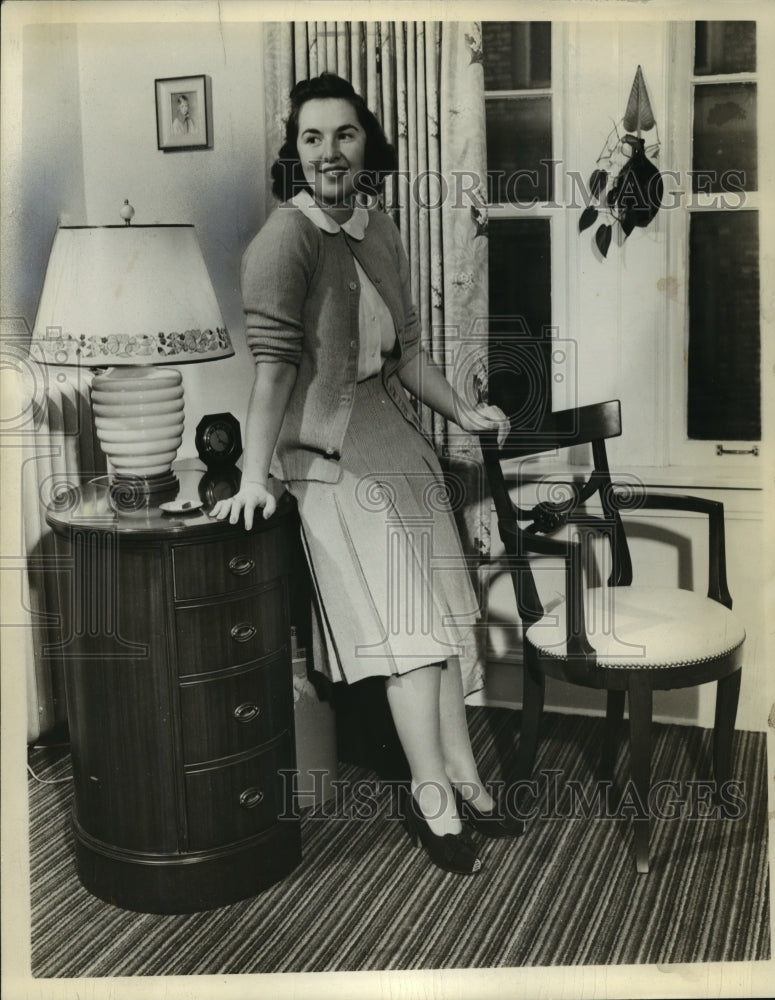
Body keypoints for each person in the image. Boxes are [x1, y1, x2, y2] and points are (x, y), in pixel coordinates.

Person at [210, 72, 520, 875]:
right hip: (329, 458)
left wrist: (464, 414)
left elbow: (407, 354)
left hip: (396, 444)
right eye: (310, 138)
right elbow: (273, 373)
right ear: (295, 151)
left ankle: (466, 777)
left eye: (342, 135)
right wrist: (253, 476)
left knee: (445, 630)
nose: (327, 153)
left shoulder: (378, 228)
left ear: (365, 144)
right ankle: (433, 799)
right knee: (407, 639)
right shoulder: (286, 239)